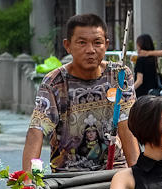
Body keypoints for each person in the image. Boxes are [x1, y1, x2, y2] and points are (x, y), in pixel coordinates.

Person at [23, 13, 140, 172]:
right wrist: (29, 182)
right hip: (69, 175)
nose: (90, 50)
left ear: (106, 45)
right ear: (68, 46)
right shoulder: (54, 83)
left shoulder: (119, 76)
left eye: (97, 42)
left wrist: (139, 176)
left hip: (115, 172)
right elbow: (37, 131)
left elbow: (127, 125)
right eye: (82, 43)